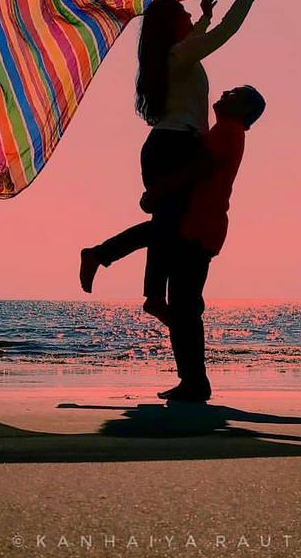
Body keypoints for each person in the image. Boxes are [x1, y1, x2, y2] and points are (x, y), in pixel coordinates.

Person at [80, 0, 270, 324]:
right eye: (183, 15)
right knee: (167, 225)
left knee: (167, 225)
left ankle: (135, 281)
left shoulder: (172, 56)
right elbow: (227, 32)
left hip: (170, 146)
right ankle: (117, 268)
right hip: (173, 147)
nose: (189, 16)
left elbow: (195, 40)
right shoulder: (179, 56)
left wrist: (203, 17)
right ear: (171, 27)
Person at [77, 85, 266, 401]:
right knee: (181, 301)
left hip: (199, 226)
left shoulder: (230, 131)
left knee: (186, 306)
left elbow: (198, 168)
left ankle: (194, 381)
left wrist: (159, 191)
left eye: (235, 93)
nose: (225, 92)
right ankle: (191, 378)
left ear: (245, 111)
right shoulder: (224, 130)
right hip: (197, 224)